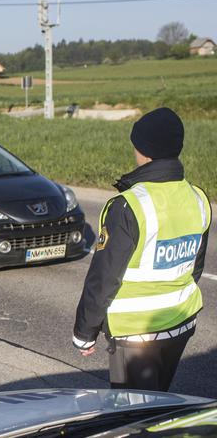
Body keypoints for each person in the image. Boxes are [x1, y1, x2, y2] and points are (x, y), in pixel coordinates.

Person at [72, 107, 211, 391]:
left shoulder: (128, 205)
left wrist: (85, 332)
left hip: (136, 333)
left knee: (131, 416)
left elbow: (105, 277)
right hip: (181, 323)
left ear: (143, 149)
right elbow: (195, 267)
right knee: (156, 404)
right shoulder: (197, 198)